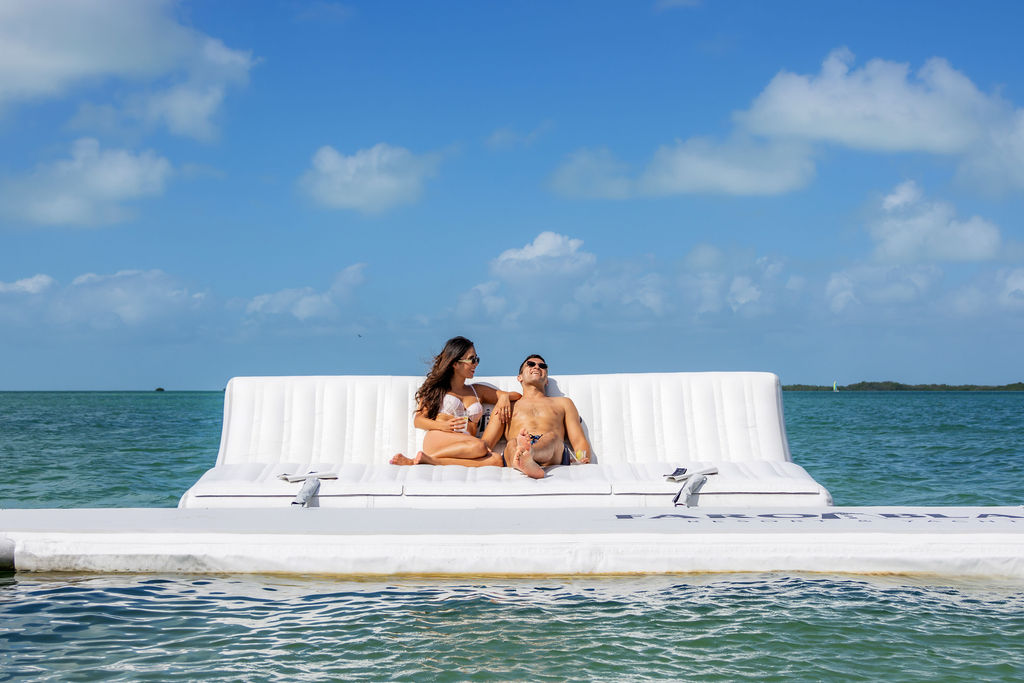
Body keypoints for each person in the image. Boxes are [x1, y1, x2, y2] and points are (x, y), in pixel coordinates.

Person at [390, 336, 518, 467]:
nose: (476, 363)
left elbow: (516, 396)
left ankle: (429, 461)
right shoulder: (437, 389)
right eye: (472, 359)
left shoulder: (477, 390)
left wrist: (503, 397)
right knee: (480, 446)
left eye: (477, 359)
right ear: (455, 363)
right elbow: (418, 420)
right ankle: (422, 459)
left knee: (496, 460)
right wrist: (443, 426)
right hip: (440, 437)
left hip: (468, 445)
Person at [502, 354, 592, 479]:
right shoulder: (507, 405)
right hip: (515, 451)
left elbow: (578, 440)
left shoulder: (563, 403)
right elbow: (488, 443)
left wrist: (581, 459)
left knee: (552, 437)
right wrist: (503, 397)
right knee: (512, 443)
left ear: (547, 380)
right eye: (531, 364)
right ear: (519, 377)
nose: (537, 367)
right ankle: (524, 460)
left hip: (552, 453)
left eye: (542, 366)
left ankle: (528, 455)